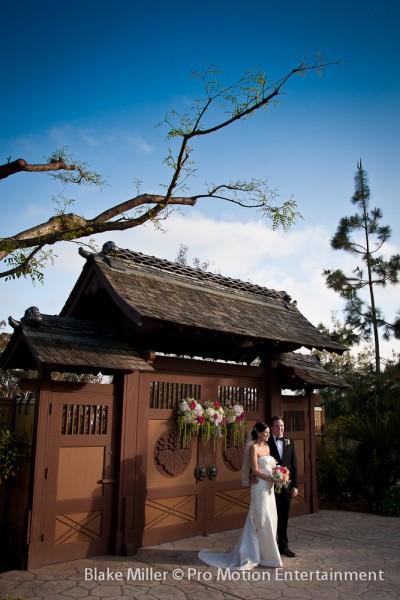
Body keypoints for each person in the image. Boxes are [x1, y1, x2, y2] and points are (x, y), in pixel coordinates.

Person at [198, 422, 282, 570]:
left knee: (270, 518)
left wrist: (279, 475)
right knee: (260, 519)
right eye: (266, 432)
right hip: (260, 487)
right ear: (258, 432)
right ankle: (251, 555)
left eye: (269, 433)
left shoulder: (267, 447)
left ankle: (267, 556)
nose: (268, 435)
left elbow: (271, 466)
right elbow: (255, 470)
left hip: (269, 488)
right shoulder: (253, 448)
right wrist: (270, 478)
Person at [267, 415, 298, 557]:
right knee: (272, 518)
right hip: (270, 488)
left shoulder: (289, 442)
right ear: (272, 428)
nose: (280, 428)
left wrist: (295, 486)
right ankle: (270, 546)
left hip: (286, 488)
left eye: (282, 426)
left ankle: (283, 546)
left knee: (284, 518)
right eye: (277, 426)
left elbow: (294, 465)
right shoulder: (266, 443)